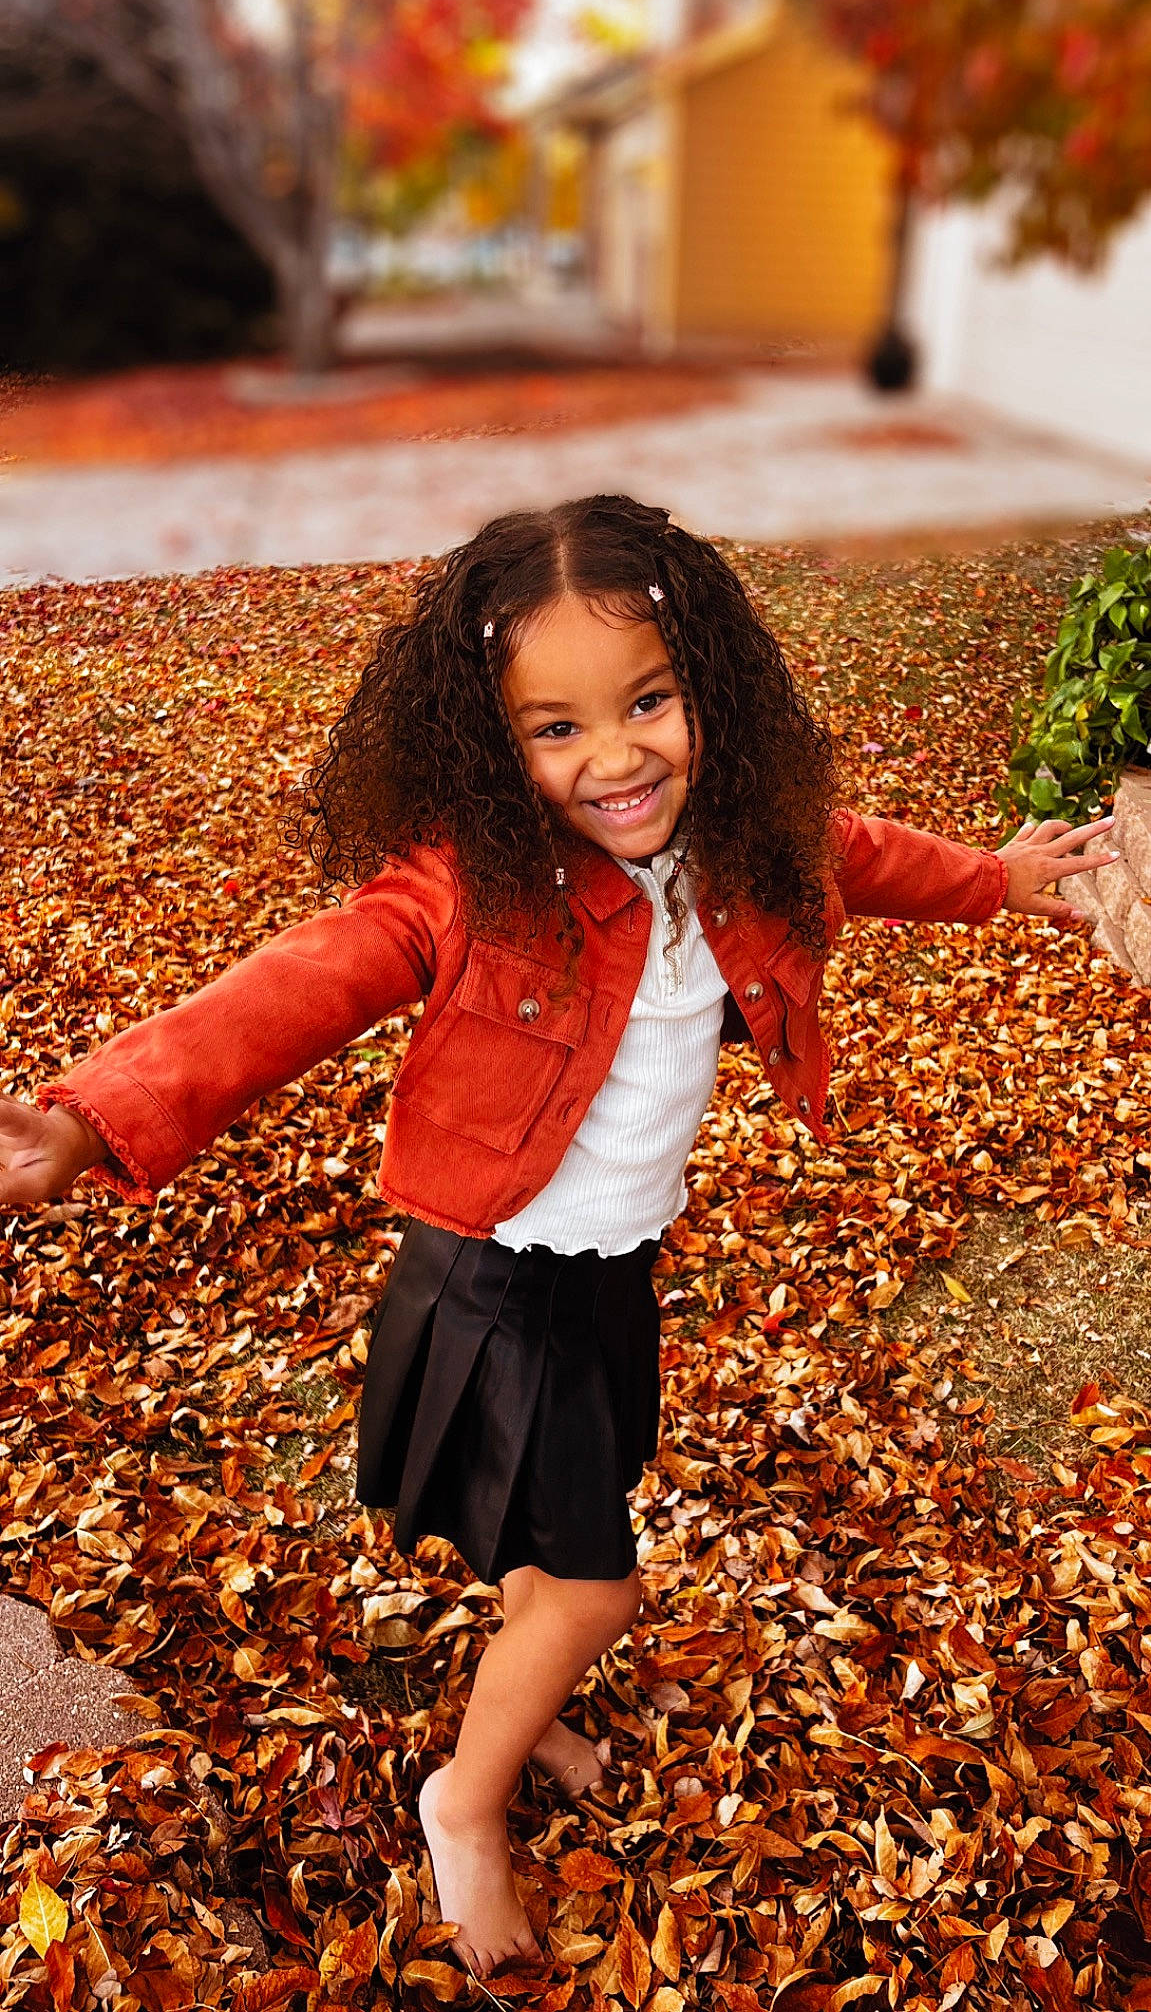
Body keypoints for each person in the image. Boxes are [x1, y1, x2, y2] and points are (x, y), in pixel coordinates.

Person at [0, 495, 1118, 1980]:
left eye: (648, 702)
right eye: (557, 729)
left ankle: (528, 1702)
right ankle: (462, 1799)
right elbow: (291, 990)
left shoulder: (741, 841)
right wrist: (95, 1115)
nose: (617, 758)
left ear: (704, 687)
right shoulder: (473, 890)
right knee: (596, 1581)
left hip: (610, 1269)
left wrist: (1000, 881)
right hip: (493, 1283)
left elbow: (863, 855)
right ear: (490, 743)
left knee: (557, 1531)